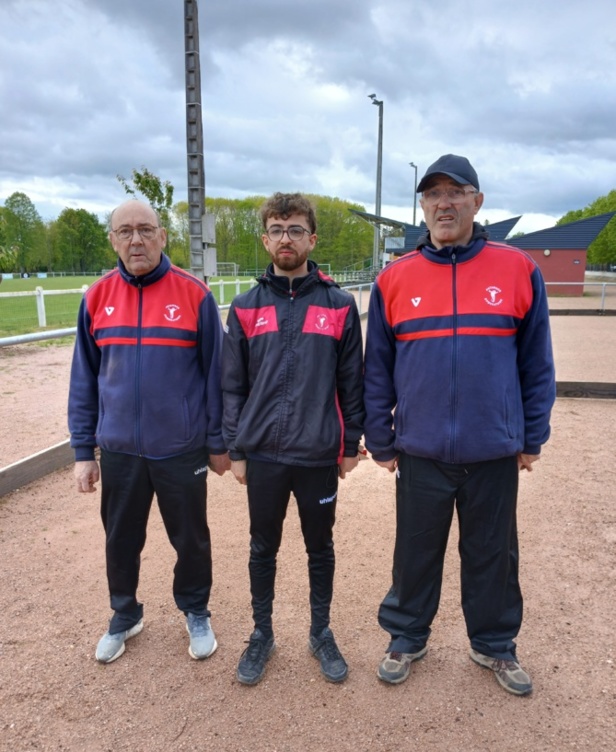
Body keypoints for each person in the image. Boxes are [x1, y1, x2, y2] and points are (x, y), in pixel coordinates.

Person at [364, 155, 555, 695]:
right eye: (432, 195)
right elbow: (376, 367)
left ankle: (493, 644)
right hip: (421, 449)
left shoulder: (517, 268)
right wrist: (380, 438)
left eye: (456, 192)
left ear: (478, 201)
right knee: (415, 551)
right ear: (422, 206)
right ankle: (406, 636)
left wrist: (531, 435)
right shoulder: (395, 279)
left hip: (493, 448)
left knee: (493, 554)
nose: (443, 203)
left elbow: (536, 363)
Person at [68, 199, 230, 664]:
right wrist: (84, 450)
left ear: (162, 236)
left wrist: (217, 442)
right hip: (119, 448)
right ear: (113, 240)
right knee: (120, 538)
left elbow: (216, 376)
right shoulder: (96, 298)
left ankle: (196, 609)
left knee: (191, 538)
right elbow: (84, 380)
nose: (135, 240)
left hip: (180, 447)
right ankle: (125, 613)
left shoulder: (193, 294)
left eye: (145, 230)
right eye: (125, 232)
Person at [222, 192, 365, 685]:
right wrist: (236, 448)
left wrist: (349, 446)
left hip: (318, 454)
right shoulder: (243, 307)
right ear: (265, 238)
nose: (287, 238)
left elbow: (352, 383)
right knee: (263, 547)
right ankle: (262, 633)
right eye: (278, 230)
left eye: (296, 230)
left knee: (319, 546)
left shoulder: (340, 306)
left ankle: (320, 631)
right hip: (262, 454)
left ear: (311, 238)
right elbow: (231, 385)